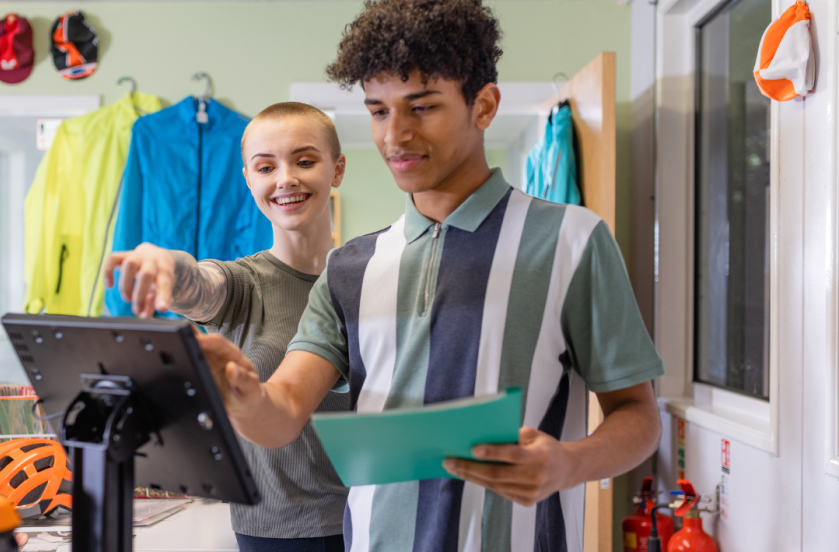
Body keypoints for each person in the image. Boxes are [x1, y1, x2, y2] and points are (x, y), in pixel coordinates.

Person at [192, 1, 665, 551]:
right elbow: (282, 415)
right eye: (378, 111)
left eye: (422, 107)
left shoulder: (572, 241)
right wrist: (240, 392)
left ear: (483, 105)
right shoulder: (350, 268)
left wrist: (569, 463)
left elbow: (639, 418)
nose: (395, 136)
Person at [104, 102, 350, 552]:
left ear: (337, 169)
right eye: (265, 167)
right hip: (271, 533)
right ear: (248, 181)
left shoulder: (366, 278)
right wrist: (165, 262)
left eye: (305, 160)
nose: (285, 178)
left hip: (372, 521)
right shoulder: (243, 284)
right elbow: (198, 283)